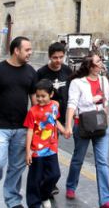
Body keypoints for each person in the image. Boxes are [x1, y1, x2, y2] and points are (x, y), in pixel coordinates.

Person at [0, 36, 38, 208]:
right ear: (16, 50)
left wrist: (37, 127)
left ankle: (12, 199)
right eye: (27, 50)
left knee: (17, 167)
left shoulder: (31, 72)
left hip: (22, 127)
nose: (30, 53)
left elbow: (34, 102)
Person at [64, 54, 109, 208]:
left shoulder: (104, 81)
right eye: (98, 62)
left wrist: (107, 121)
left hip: (101, 124)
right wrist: (68, 125)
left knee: (102, 162)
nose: (101, 64)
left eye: (100, 61)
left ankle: (106, 199)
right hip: (82, 124)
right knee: (78, 158)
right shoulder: (77, 83)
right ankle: (71, 186)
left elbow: (105, 103)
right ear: (90, 66)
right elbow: (72, 104)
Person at [36, 42, 73, 197]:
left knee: (52, 148)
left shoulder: (67, 70)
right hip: (47, 119)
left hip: (64, 115)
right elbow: (36, 97)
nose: (58, 60)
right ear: (49, 57)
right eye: (55, 58)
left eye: (61, 57)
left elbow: (72, 92)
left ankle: (49, 181)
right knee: (48, 149)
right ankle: (48, 183)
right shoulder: (41, 72)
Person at [24, 79, 67, 208]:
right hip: (37, 150)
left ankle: (43, 195)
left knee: (55, 174)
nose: (40, 99)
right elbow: (30, 131)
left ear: (51, 94)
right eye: (38, 96)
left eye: (43, 96)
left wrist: (63, 130)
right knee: (35, 178)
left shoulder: (54, 106)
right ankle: (34, 203)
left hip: (52, 148)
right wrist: (28, 152)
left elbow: (54, 120)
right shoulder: (33, 111)